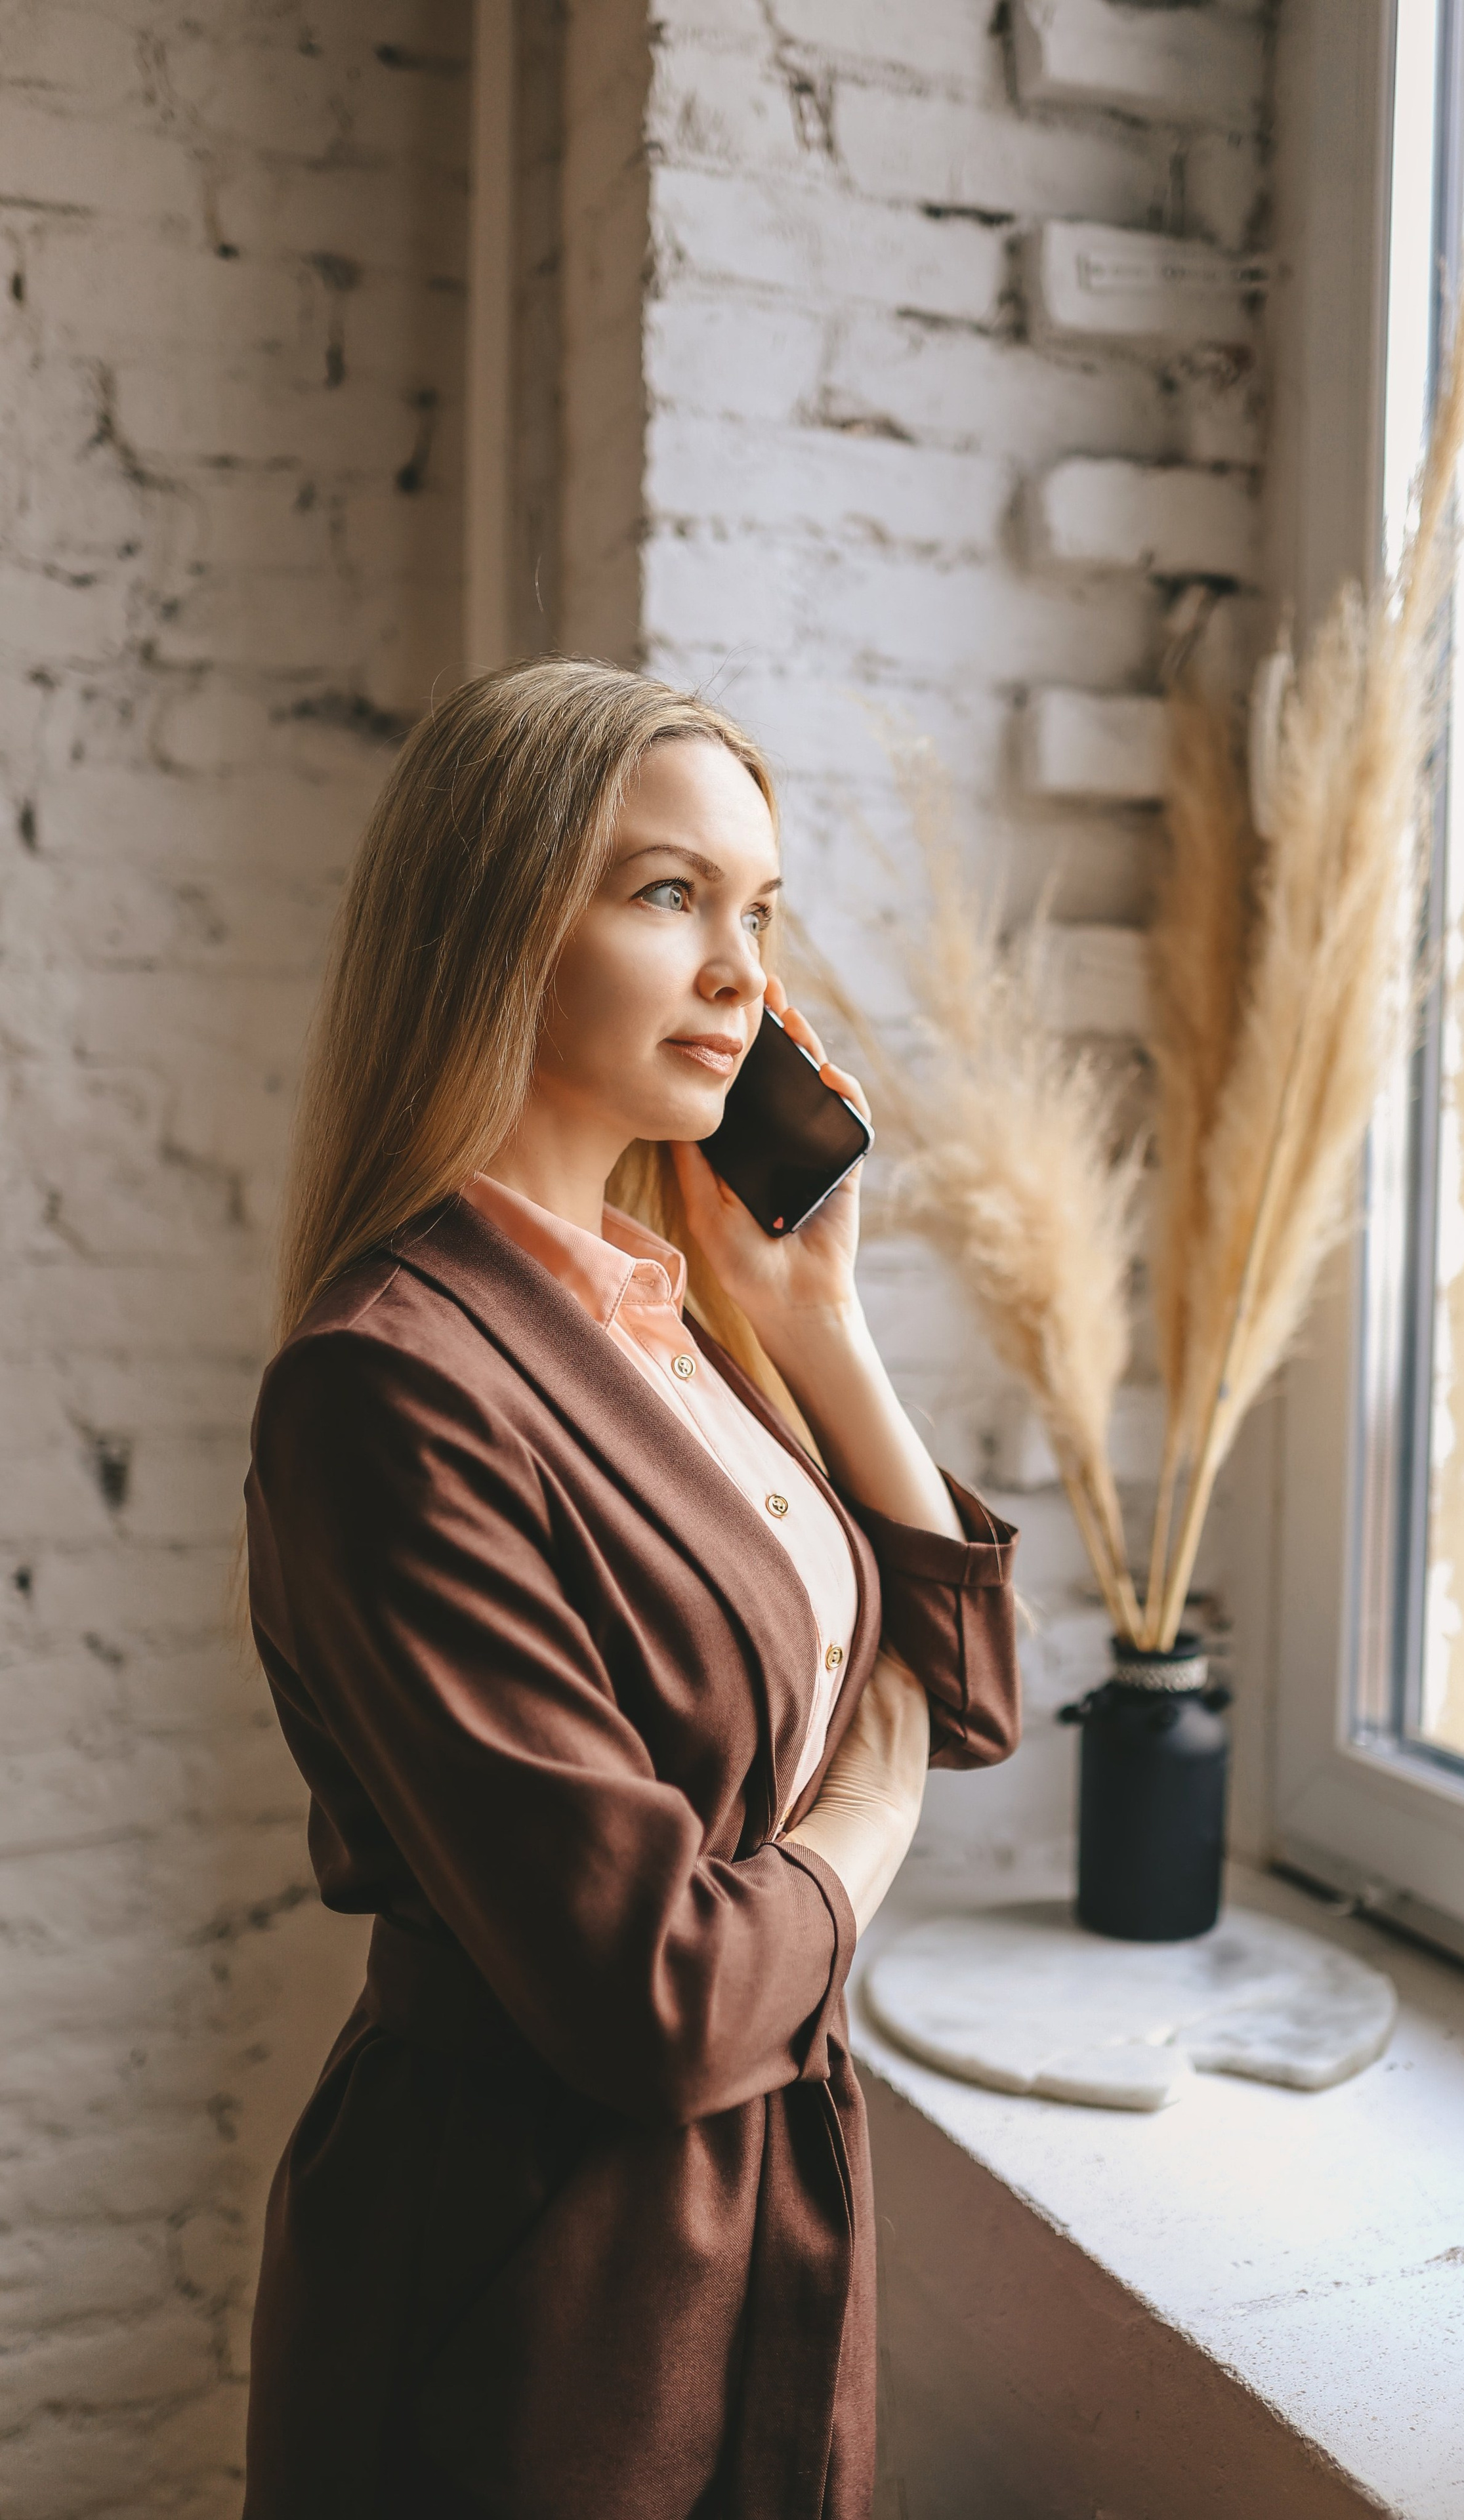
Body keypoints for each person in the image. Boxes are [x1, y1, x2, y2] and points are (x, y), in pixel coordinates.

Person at [240, 659, 1020, 2519]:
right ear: (499, 918)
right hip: (533, 2288)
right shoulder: (391, 1384)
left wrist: (823, 1328)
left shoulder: (685, 1316)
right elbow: (662, 1994)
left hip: (768, 2228)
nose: (744, 972)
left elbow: (970, 1680)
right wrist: (872, 1805)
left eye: (758, 909)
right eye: (670, 894)